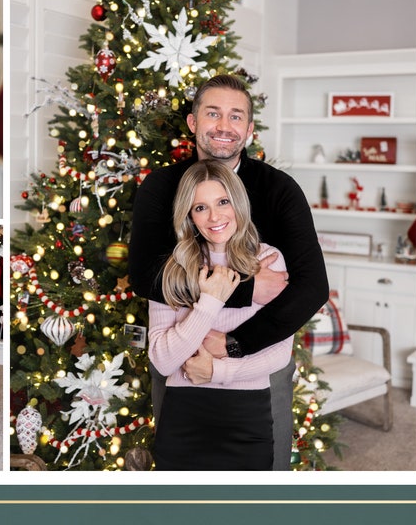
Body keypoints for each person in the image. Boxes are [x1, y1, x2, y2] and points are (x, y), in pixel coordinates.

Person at [128, 74, 329, 470]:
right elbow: (145, 276)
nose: (224, 126)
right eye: (213, 113)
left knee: (262, 474)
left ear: (250, 129)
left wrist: (235, 344)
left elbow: (312, 286)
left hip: (259, 361)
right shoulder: (161, 186)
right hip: (183, 362)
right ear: (192, 122)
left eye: (236, 116)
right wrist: (245, 290)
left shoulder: (279, 190)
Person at [150, 161, 292, 470]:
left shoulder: (269, 260)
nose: (214, 217)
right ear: (189, 215)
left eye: (223, 202)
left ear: (238, 203)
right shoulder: (173, 268)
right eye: (200, 207)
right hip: (184, 416)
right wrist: (210, 301)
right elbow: (162, 360)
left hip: (247, 417)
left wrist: (217, 372)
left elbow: (281, 353)